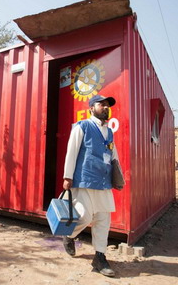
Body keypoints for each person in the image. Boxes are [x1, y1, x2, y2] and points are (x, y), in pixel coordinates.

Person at [62, 94, 124, 277]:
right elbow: (71, 152)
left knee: (103, 220)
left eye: (107, 105)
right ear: (91, 108)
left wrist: (118, 176)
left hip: (103, 181)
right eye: (101, 104)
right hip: (84, 179)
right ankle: (70, 235)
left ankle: (100, 257)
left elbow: (113, 155)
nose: (105, 107)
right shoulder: (82, 126)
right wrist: (67, 176)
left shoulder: (109, 132)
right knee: (84, 215)